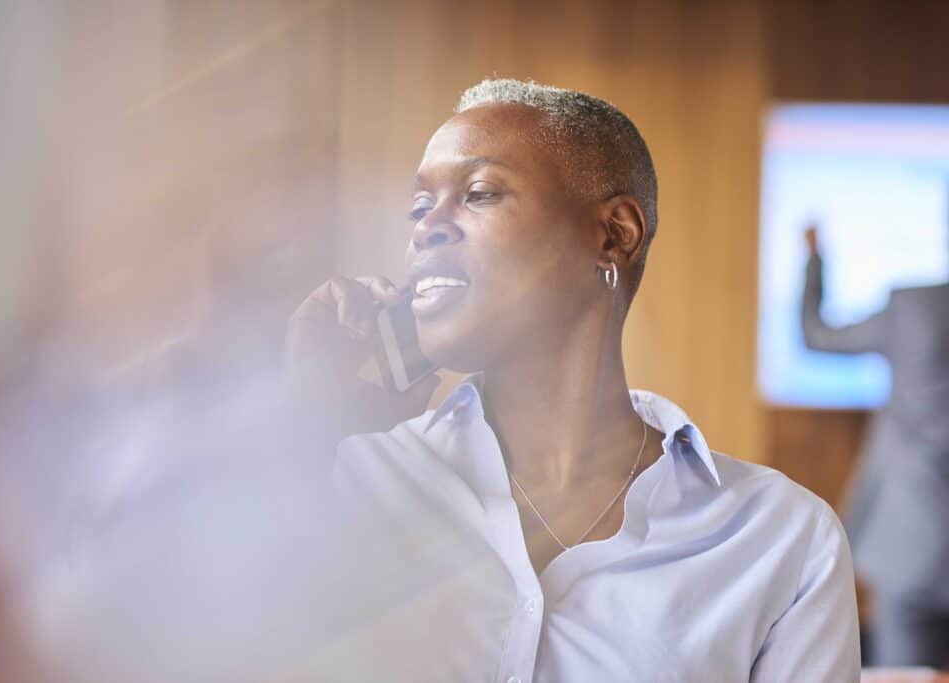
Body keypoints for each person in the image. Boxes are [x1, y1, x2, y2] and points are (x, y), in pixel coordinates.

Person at [284, 79, 860, 681]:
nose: (427, 226)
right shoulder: (342, 479)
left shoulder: (782, 540)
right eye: (420, 206)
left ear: (614, 236)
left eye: (478, 193)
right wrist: (303, 428)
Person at [802, 225, 949, 668]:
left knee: (903, 673)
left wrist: (814, 257)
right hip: (913, 543)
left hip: (911, 539)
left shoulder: (913, 307)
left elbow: (817, 336)